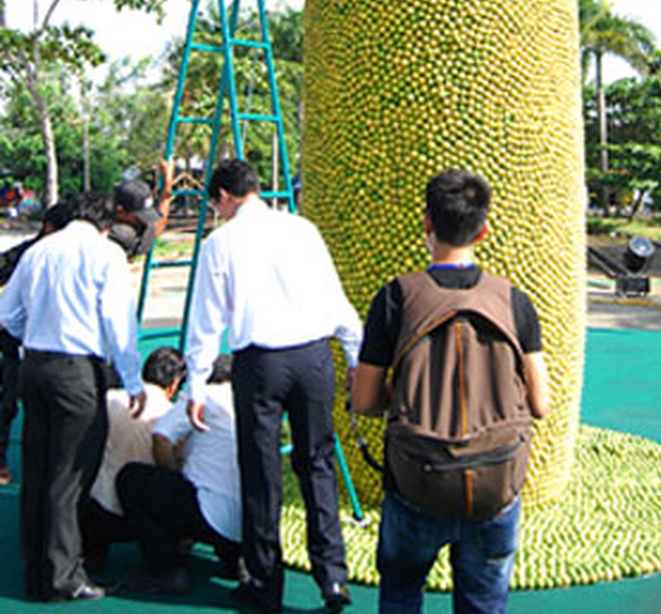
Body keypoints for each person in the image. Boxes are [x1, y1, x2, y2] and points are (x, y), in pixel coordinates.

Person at [351, 169, 551, 614]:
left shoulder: (395, 298)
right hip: (494, 486)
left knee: (401, 594)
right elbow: (540, 404)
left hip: (417, 479)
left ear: (426, 223)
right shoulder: (514, 300)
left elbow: (363, 401)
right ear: (484, 229)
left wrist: (399, 396)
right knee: (483, 602)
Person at [184, 158, 362, 613]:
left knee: (261, 474)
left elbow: (207, 321)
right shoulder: (302, 229)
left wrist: (197, 384)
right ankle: (333, 577)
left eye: (216, 203)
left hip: (260, 364)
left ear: (224, 197)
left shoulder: (219, 243)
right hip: (313, 357)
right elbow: (333, 295)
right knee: (317, 463)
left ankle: (264, 583)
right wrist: (354, 356)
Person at [0, 189, 145, 603]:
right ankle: (63, 575)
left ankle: (36, 565)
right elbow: (119, 324)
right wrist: (132, 381)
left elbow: (8, 314)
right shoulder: (106, 255)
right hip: (77, 370)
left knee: (38, 466)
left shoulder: (39, 252)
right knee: (70, 476)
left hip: (36, 365)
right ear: (105, 221)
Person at [117, 353, 244, 595]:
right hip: (250, 522)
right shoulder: (252, 400)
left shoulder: (202, 396)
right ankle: (235, 560)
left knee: (131, 478)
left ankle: (165, 568)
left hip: (208, 510)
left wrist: (170, 474)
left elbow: (161, 437)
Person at [81, 345, 187, 570]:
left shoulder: (109, 399)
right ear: (175, 384)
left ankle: (92, 553)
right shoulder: (173, 416)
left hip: (95, 511)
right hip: (139, 518)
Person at [0, 195, 79, 486]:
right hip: (19, 340)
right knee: (9, 403)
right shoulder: (29, 254)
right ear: (48, 227)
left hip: (50, 343)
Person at [109, 156, 174, 260]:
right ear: (120, 211)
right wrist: (166, 190)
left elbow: (157, 227)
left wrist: (167, 188)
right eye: (139, 217)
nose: (144, 222)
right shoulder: (120, 234)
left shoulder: (124, 222)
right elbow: (155, 230)